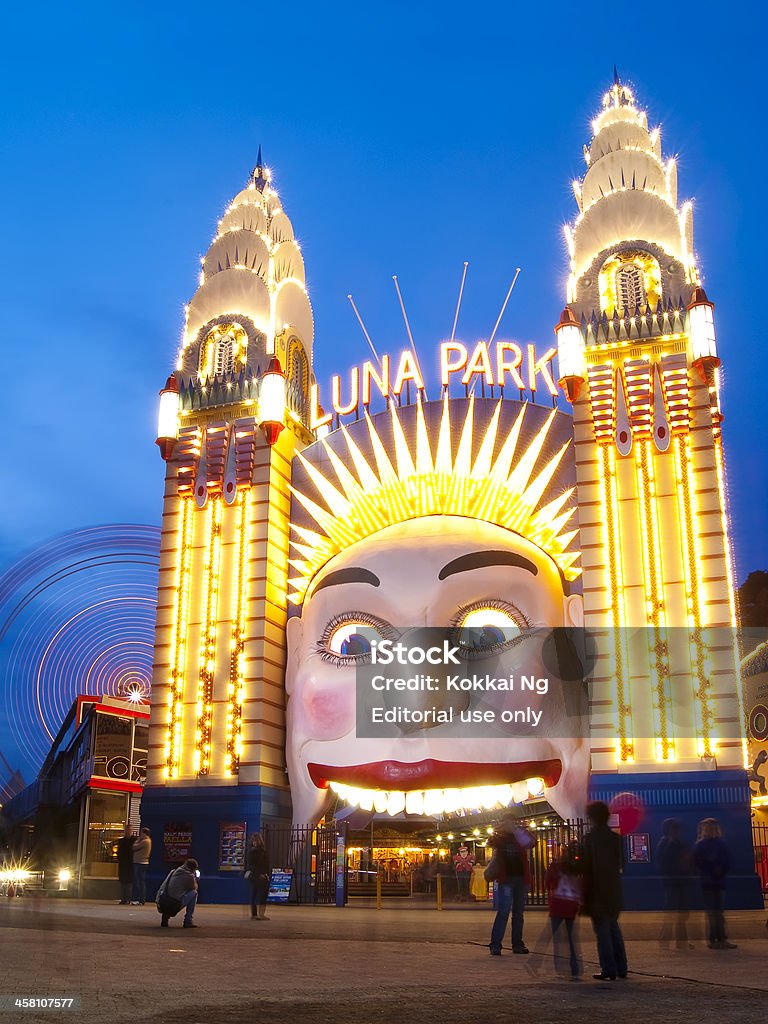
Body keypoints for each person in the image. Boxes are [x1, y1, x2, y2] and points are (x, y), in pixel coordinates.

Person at [581, 801, 627, 981]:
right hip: (613, 889)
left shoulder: (590, 839)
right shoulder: (615, 838)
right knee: (614, 928)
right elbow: (622, 864)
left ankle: (608, 968)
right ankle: (621, 966)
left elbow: (586, 866)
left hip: (597, 890)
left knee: (602, 932)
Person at [487, 816, 534, 956]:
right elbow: (491, 841)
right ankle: (495, 944)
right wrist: (502, 830)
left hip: (520, 879)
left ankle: (517, 944)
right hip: (506, 879)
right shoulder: (500, 837)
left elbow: (532, 842)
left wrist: (519, 830)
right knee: (503, 912)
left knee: (518, 914)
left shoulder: (520, 836)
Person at [692, 817, 737, 950]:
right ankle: (720, 939)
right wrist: (719, 869)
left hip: (707, 881)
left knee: (712, 912)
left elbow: (696, 863)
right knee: (718, 912)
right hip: (718, 881)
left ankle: (714, 939)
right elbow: (728, 862)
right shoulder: (721, 844)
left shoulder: (700, 845)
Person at [544, 843, 582, 978]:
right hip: (571, 905)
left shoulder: (554, 867)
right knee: (571, 937)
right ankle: (575, 968)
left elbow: (547, 883)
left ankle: (560, 968)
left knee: (558, 939)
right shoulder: (574, 868)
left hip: (557, 905)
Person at [657, 818, 693, 949]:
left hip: (674, 882)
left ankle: (674, 941)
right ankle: (675, 941)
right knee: (676, 913)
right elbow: (666, 863)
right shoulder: (669, 843)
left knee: (676, 913)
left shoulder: (666, 843)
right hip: (676, 881)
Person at [159, 858, 199, 928]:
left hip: (161, 903)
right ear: (193, 868)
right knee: (194, 893)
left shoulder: (173, 871)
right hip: (174, 905)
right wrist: (195, 879)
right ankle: (188, 920)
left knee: (175, 892)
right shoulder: (189, 875)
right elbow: (194, 888)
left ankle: (165, 916)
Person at [245, 833, 271, 920]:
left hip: (258, 876)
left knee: (259, 896)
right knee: (257, 895)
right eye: (253, 841)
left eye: (255, 841)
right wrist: (263, 874)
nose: (254, 842)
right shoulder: (256, 852)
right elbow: (252, 865)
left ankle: (258, 914)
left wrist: (266, 874)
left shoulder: (259, 852)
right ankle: (257, 914)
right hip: (256, 876)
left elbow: (265, 865)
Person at [131, 827, 151, 905]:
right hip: (142, 862)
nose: (140, 834)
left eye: (141, 833)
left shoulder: (145, 841)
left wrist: (137, 840)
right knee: (140, 881)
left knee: (139, 882)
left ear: (144, 833)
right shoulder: (148, 841)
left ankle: (140, 899)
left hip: (140, 863)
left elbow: (134, 847)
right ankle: (140, 899)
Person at [115, 825, 134, 905]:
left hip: (130, 864)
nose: (127, 832)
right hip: (123, 864)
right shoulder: (121, 841)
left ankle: (127, 899)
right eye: (126, 830)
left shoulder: (134, 841)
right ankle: (123, 898)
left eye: (129, 830)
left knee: (129, 882)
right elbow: (119, 852)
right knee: (123, 882)